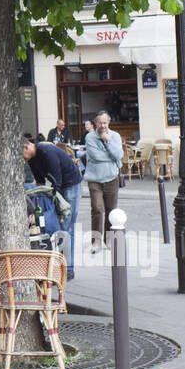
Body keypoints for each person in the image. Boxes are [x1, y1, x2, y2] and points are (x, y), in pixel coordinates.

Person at [23, 134, 81, 250]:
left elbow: (57, 181)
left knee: (66, 225)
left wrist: (53, 205)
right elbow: (40, 182)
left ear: (26, 147)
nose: (21, 159)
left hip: (71, 183)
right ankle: (59, 259)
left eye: (20, 155)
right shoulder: (32, 159)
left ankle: (68, 266)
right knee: (59, 225)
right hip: (57, 184)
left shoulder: (47, 152)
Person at [81, 111, 122, 268]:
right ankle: (96, 241)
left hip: (112, 178)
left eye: (105, 123)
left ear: (109, 123)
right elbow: (95, 156)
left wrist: (108, 141)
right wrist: (112, 156)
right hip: (95, 179)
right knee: (97, 209)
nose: (102, 126)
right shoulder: (90, 137)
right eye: (100, 123)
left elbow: (119, 154)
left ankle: (109, 239)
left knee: (112, 211)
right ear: (95, 123)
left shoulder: (115, 136)